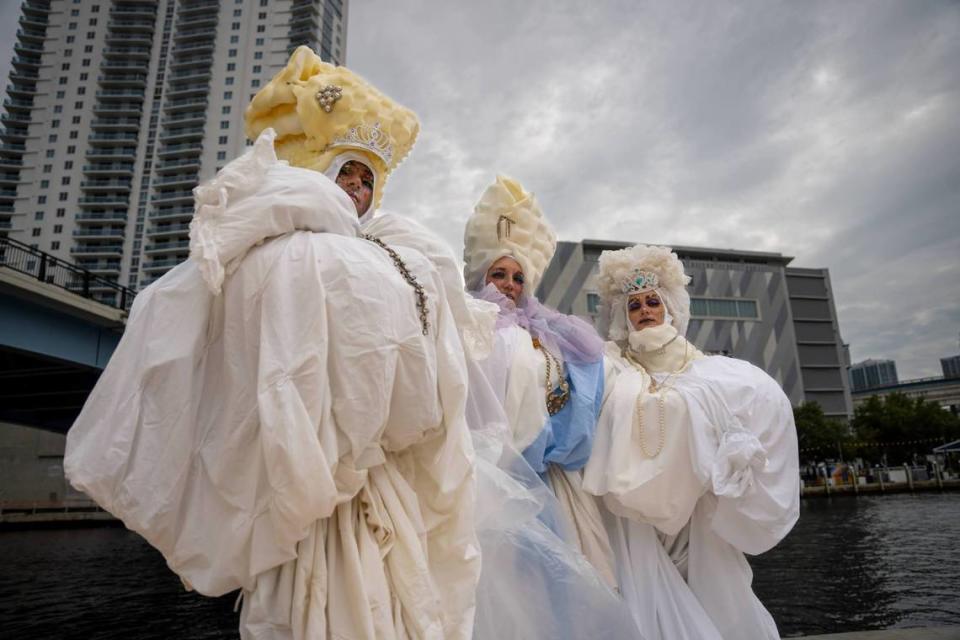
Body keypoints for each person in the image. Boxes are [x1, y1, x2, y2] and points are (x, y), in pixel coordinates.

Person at [65, 47, 479, 640]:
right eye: (347, 174)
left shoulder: (381, 253)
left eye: (369, 180)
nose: (358, 190)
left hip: (376, 480)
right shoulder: (290, 250)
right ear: (320, 172)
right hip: (315, 489)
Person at [582, 243, 800, 640]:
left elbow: (761, 406)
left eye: (652, 302)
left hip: (697, 512)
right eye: (634, 306)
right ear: (622, 315)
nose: (645, 311)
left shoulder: (711, 370)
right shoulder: (610, 367)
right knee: (644, 596)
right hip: (633, 519)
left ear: (669, 307)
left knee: (710, 590)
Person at [462, 175, 619, 588]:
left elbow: (581, 390)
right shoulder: (469, 329)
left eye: (518, 277)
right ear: (482, 278)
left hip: (551, 479)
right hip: (491, 476)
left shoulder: (548, 333)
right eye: (500, 274)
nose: (510, 285)